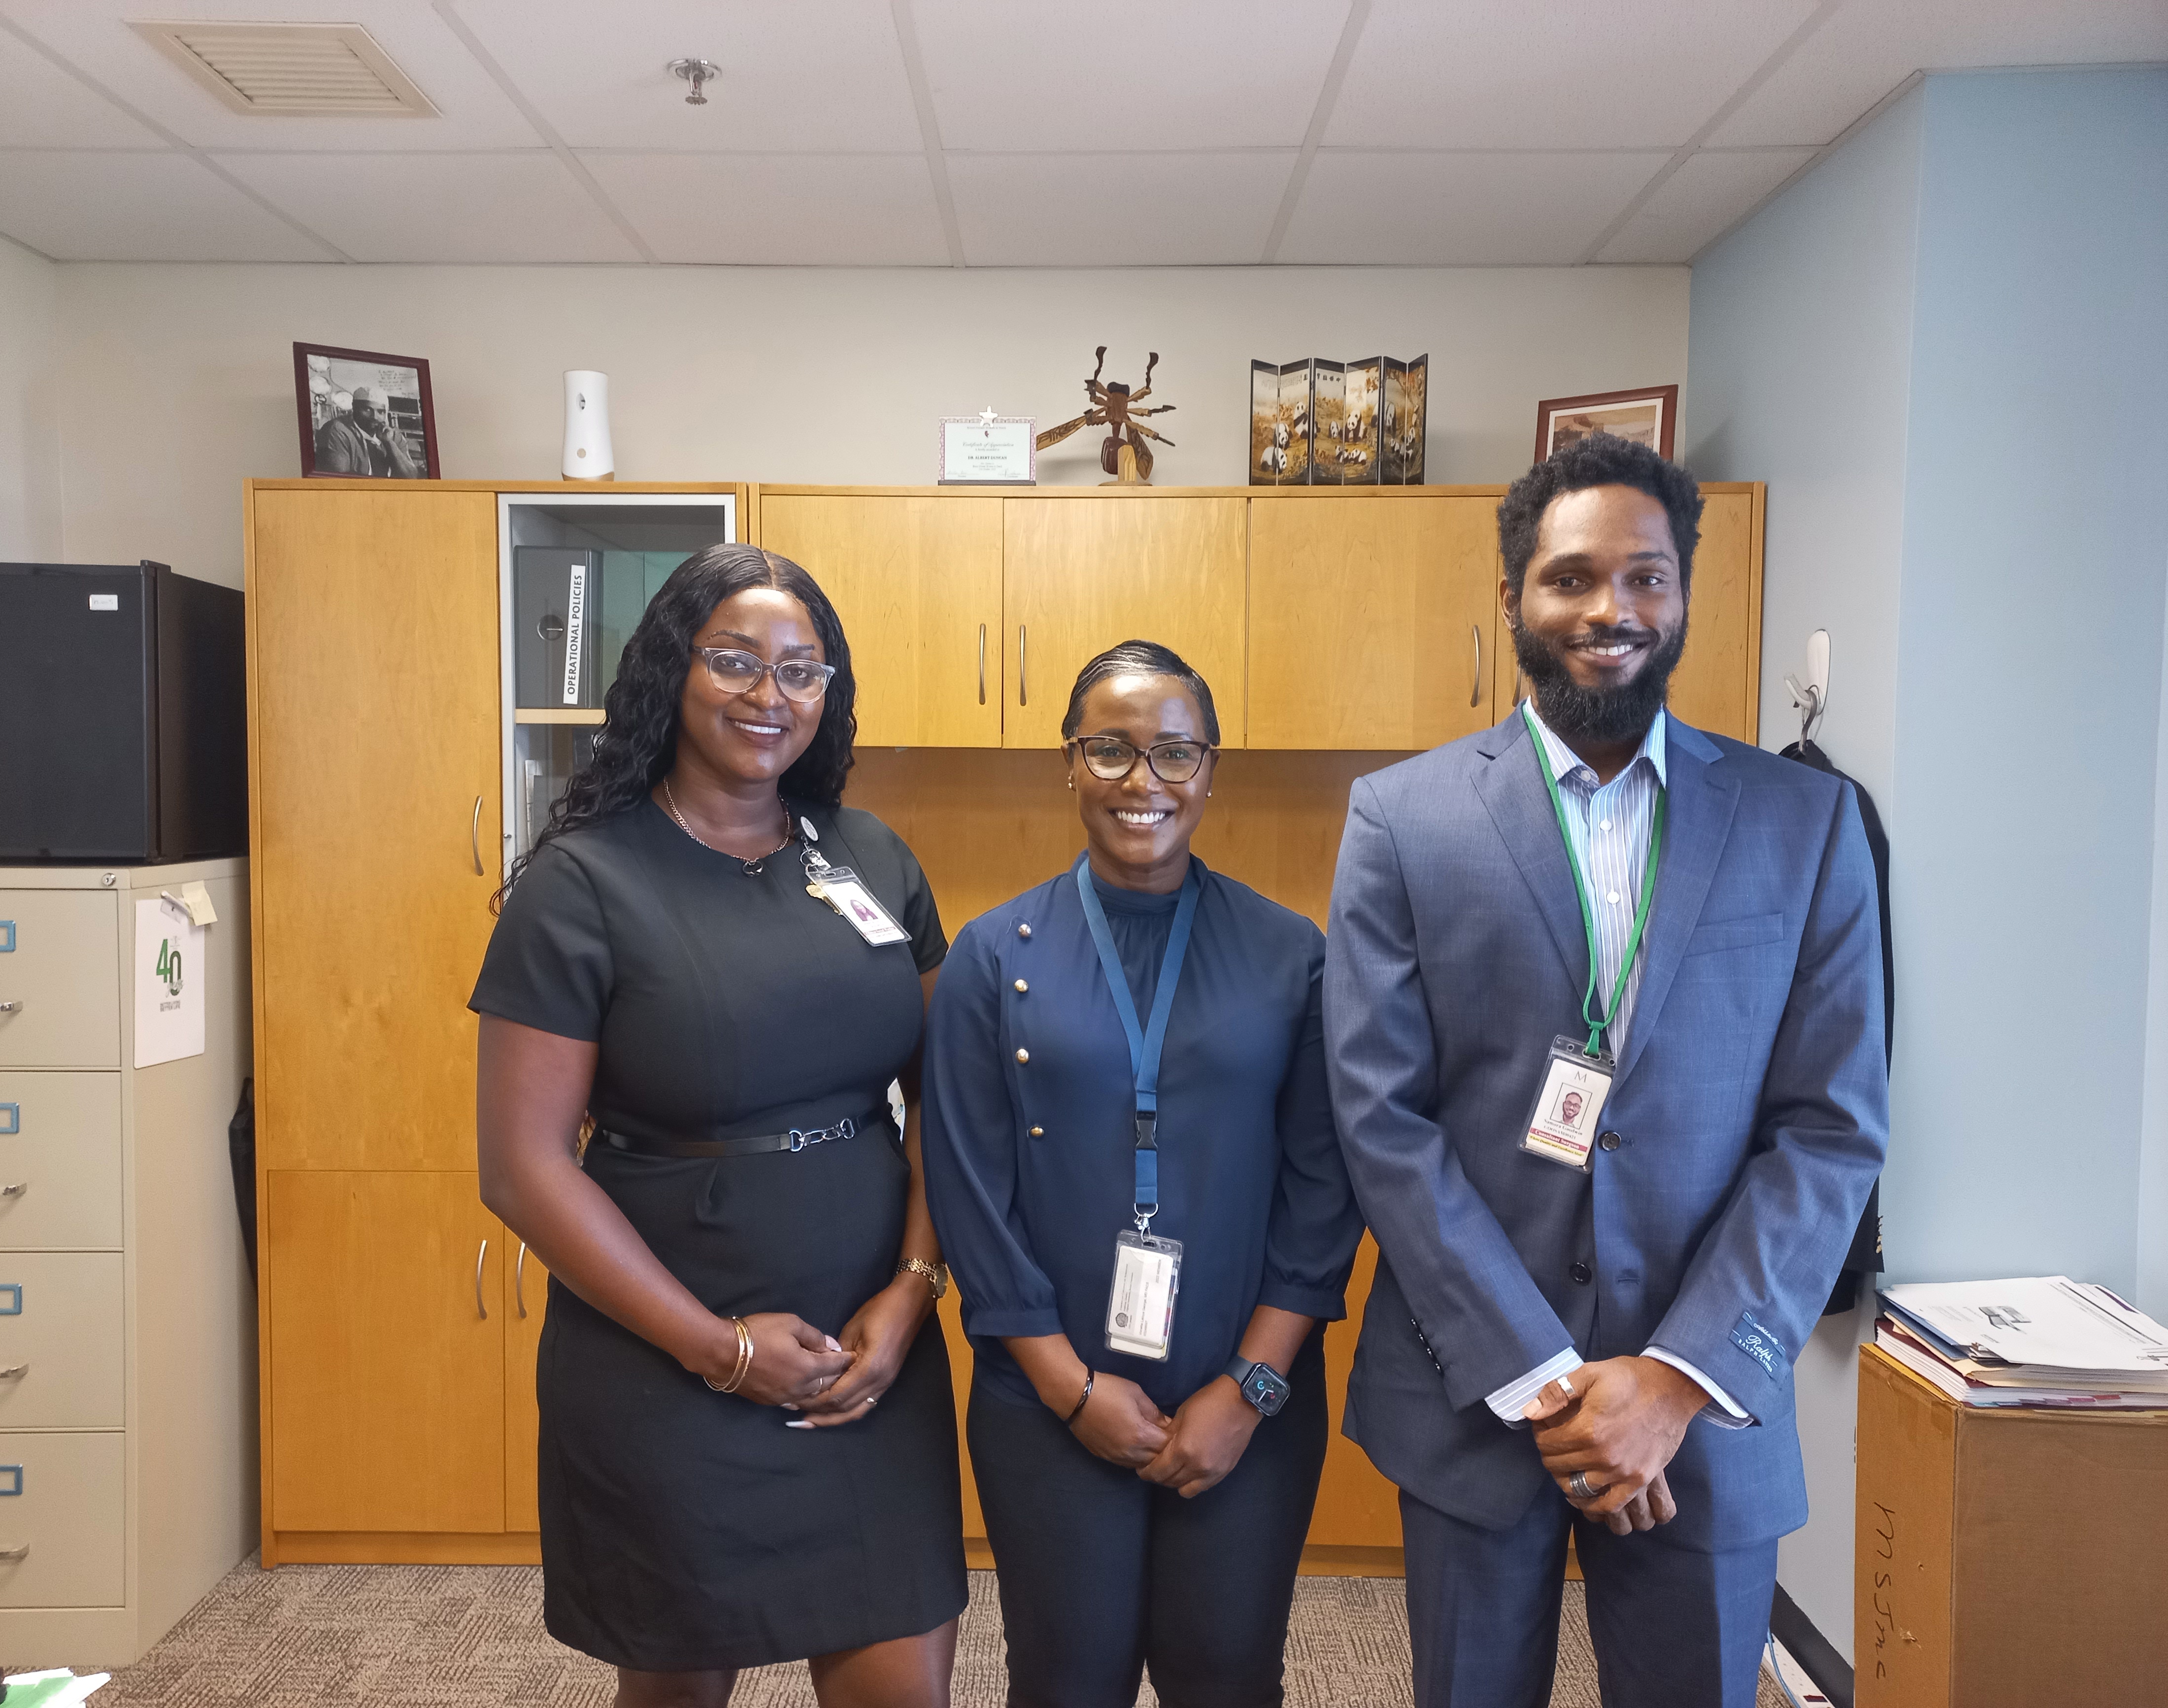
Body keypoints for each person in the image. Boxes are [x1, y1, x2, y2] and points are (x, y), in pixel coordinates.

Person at [1324, 434, 1888, 1708]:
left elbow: (1830, 1128)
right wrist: (1545, 1375)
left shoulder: (1806, 823)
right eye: (1571, 577)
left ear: (1684, 590)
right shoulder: (1403, 818)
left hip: (1707, 1410)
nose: (1610, 610)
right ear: (1516, 597)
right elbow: (1382, 1115)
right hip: (1475, 1397)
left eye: (1644, 577)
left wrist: (1675, 1376)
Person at [471, 543, 966, 1708]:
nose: (769, 695)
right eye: (734, 661)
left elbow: (947, 1095)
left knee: (903, 1685)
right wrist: (718, 1348)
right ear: (670, 672)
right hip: (664, 1353)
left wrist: (910, 1289)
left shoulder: (871, 856)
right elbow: (523, 1165)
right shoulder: (581, 884)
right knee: (679, 1687)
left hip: (866, 1346)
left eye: (802, 670)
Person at [922, 640, 1363, 1708]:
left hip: (1244, 1396)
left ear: (1210, 770)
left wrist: (1250, 1390)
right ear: (1067, 765)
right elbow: (967, 1189)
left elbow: (1323, 1190)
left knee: (1226, 1674)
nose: (1143, 782)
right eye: (1110, 750)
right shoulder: (993, 954)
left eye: (1174, 753)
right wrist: (1069, 1390)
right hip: (1046, 1398)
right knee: (1067, 1678)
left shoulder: (1289, 953)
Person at [315, 383, 418, 477]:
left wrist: (389, 443)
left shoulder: (392, 435)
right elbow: (340, 479)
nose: (375, 416)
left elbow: (411, 477)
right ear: (354, 408)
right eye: (367, 410)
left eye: (381, 412)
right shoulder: (338, 430)